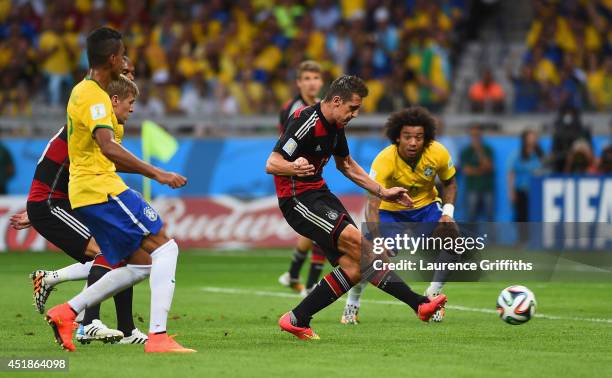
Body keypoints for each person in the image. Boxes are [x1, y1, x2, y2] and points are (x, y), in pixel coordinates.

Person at [44, 27, 194, 353]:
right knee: (166, 249)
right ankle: (158, 337)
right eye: (123, 55)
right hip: (101, 188)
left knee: (141, 264)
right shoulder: (93, 97)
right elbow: (107, 147)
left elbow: (107, 150)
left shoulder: (89, 94)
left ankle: (66, 313)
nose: (126, 61)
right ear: (112, 59)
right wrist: (158, 173)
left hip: (91, 190)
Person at [265, 75, 447, 340]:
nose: (356, 114)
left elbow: (346, 165)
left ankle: (296, 318)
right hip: (297, 199)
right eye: (353, 107)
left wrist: (384, 192)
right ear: (336, 101)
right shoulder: (306, 121)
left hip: (319, 194)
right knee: (365, 250)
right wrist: (292, 167)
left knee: (355, 267)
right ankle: (419, 304)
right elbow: (272, 162)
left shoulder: (336, 126)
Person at [9, 57, 146, 345]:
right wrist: (155, 172)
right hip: (51, 202)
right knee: (107, 252)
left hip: (62, 199)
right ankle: (86, 322)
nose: (131, 78)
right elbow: (76, 167)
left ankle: (127, 329)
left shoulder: (107, 121)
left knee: (120, 248)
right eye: (126, 73)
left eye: (132, 74)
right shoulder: (90, 117)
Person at [341, 106, 458, 325]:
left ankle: (433, 295)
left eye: (419, 137)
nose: (413, 142)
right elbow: (373, 203)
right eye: (407, 137)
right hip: (390, 213)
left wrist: (448, 213)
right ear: (397, 137)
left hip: (426, 209)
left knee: (454, 239)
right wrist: (376, 239)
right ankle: (353, 302)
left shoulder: (438, 152)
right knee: (370, 256)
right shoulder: (384, 160)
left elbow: (449, 182)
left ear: (427, 138)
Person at [276, 60, 327, 296]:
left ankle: (294, 275)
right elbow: (289, 143)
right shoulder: (293, 108)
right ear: (299, 83)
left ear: (321, 81)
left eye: (315, 78)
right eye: (306, 78)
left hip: (311, 170)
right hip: (293, 173)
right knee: (322, 226)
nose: (311, 83)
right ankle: (310, 285)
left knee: (314, 228)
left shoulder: (322, 106)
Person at [508, 129, 543, 223]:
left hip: (536, 192)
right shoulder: (517, 154)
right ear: (525, 139)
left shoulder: (540, 155)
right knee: (521, 217)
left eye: (534, 137)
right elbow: (511, 173)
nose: (533, 139)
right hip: (521, 191)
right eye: (530, 137)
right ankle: (522, 237)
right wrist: (511, 192)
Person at [461, 124, 494, 222]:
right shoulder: (466, 152)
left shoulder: (487, 150)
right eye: (473, 135)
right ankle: (472, 237)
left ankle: (491, 237)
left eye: (477, 135)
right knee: (471, 216)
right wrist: (481, 170)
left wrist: (479, 151)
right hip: (472, 188)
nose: (475, 138)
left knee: (489, 216)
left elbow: (489, 167)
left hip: (487, 187)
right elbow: (466, 171)